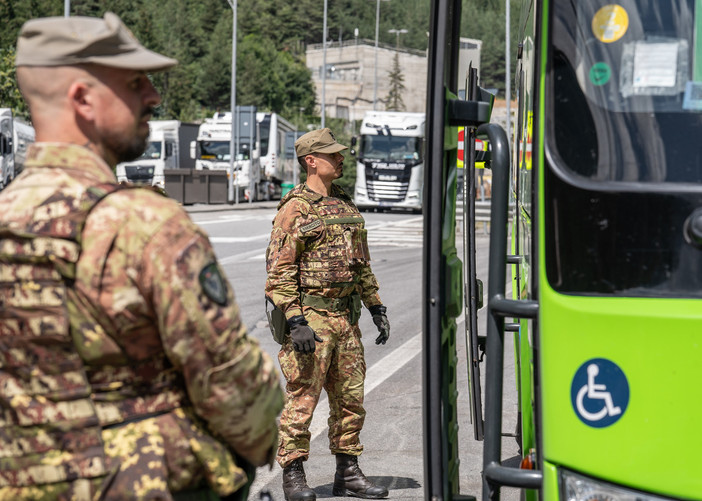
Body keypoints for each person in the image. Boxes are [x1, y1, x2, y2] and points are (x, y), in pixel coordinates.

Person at [0, 12, 284, 500]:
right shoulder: (144, 224)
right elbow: (230, 380)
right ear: (83, 99)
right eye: (134, 82)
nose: (152, 96)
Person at [265, 128, 391, 501]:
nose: (341, 159)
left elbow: (360, 264)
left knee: (350, 400)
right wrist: (295, 320)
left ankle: (347, 473)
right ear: (311, 161)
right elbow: (279, 272)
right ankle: (293, 476)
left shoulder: (346, 205)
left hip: (346, 321)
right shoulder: (295, 208)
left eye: (339, 154)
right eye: (333, 155)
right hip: (312, 321)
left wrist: (376, 306)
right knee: (302, 399)